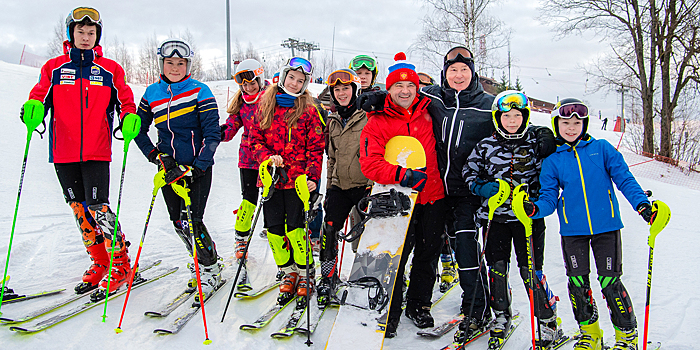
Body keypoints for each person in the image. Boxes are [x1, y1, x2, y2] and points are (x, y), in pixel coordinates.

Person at [358, 46, 556, 343]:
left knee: (462, 247)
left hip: (464, 191)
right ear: (444, 74)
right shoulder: (433, 98)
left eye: (464, 70)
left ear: (472, 72)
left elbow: (513, 121)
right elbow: (402, 95)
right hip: (426, 190)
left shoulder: (488, 104)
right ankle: (398, 308)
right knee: (415, 252)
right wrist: (378, 96)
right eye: (453, 70)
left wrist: (540, 133)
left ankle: (475, 308)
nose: (459, 75)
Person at [524, 98, 653, 350]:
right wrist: (535, 209)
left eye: (577, 122)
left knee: (610, 282)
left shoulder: (602, 149)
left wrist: (642, 205)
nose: (571, 128)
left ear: (584, 124)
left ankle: (626, 336)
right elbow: (549, 197)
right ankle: (590, 334)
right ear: (556, 124)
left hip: (606, 226)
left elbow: (624, 179)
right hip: (573, 231)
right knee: (578, 284)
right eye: (565, 122)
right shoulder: (553, 161)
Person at [25, 7, 137, 296]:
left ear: (97, 36)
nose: (85, 38)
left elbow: (125, 100)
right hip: (63, 151)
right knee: (79, 209)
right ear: (70, 34)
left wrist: (129, 117)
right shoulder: (54, 68)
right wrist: (33, 109)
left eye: (91, 33)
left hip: (97, 150)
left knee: (99, 206)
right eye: (80, 32)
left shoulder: (110, 69)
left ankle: (121, 262)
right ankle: (100, 261)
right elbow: (39, 95)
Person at [463, 90, 559, 348]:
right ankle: (501, 315)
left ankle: (548, 320)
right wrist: (481, 187)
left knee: (531, 272)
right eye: (507, 116)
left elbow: (556, 165)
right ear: (498, 118)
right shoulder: (486, 146)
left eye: (518, 115)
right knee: (497, 269)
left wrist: (547, 135)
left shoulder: (536, 144)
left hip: (528, 220)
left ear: (525, 117)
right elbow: (468, 172)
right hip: (496, 219)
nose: (512, 121)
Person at [359, 52, 446, 338]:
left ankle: (419, 305)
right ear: (389, 88)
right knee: (394, 255)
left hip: (432, 196)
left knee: (427, 254)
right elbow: (369, 163)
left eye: (410, 85)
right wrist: (402, 175)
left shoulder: (431, 110)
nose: (405, 91)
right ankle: (391, 308)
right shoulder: (377, 120)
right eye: (398, 86)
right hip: (397, 201)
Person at [133, 38, 222, 304]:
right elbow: (138, 129)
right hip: (169, 169)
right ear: (162, 64)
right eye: (170, 63)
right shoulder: (151, 93)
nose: (175, 67)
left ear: (187, 65)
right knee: (178, 222)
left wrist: (199, 166)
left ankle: (210, 270)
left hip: (197, 168)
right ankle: (199, 263)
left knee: (193, 221)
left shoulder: (200, 91)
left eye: (180, 63)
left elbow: (212, 133)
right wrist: (156, 156)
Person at [249, 57, 325, 303]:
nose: (294, 84)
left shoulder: (309, 109)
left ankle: (305, 273)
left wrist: (312, 177)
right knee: (274, 230)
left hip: (297, 181)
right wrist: (266, 157)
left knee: (295, 229)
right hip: (271, 178)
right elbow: (254, 139)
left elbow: (316, 147)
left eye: (300, 80)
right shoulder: (265, 104)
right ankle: (288, 271)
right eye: (291, 78)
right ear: (282, 77)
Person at [316, 69, 372, 307]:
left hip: (366, 185)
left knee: (366, 235)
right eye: (337, 90)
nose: (341, 93)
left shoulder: (368, 116)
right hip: (340, 185)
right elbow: (332, 158)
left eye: (346, 89)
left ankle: (370, 276)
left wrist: (374, 187)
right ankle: (328, 277)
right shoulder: (333, 120)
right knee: (329, 228)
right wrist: (329, 189)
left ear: (355, 90)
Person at [221, 59, 266, 263]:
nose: (249, 88)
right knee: (249, 199)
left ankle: (282, 235)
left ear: (260, 79)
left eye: (252, 82)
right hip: (248, 159)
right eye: (244, 84)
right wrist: (217, 133)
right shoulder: (241, 102)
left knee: (275, 199)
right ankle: (241, 238)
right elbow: (231, 127)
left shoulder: (272, 98)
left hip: (269, 158)